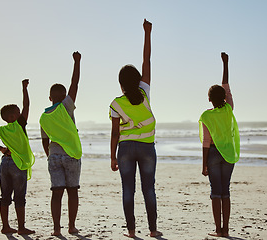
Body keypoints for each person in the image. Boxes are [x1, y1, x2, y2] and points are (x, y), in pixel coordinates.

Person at [110, 19, 162, 238]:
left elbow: (115, 133)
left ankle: (131, 231)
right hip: (147, 148)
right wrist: (147, 33)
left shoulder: (116, 103)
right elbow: (146, 59)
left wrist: (112, 156)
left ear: (120, 83)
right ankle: (152, 230)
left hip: (126, 149)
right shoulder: (144, 92)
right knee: (148, 189)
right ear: (139, 79)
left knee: (128, 190)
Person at [0, 79, 35, 235]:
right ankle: (21, 228)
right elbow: (27, 105)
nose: (22, 113)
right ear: (14, 115)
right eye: (18, 112)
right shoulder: (19, 124)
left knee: (5, 195)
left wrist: (2, 149)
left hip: (5, 164)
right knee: (20, 197)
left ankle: (5, 226)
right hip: (17, 164)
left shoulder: (2, 130)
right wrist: (24, 88)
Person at [39, 51, 82, 236]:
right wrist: (77, 62)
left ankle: (56, 229)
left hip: (54, 155)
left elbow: (44, 140)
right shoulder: (67, 106)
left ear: (50, 98)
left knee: (56, 193)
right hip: (71, 154)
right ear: (65, 97)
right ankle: (71, 227)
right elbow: (75, 83)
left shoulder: (44, 117)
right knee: (72, 192)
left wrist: (49, 155)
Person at [199, 52, 240, 237]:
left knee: (215, 192)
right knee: (226, 191)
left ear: (209, 100)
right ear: (224, 98)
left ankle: (218, 230)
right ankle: (226, 229)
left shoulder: (206, 116)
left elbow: (206, 142)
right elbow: (226, 87)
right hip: (229, 154)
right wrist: (225, 64)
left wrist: (204, 164)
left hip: (214, 155)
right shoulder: (229, 108)